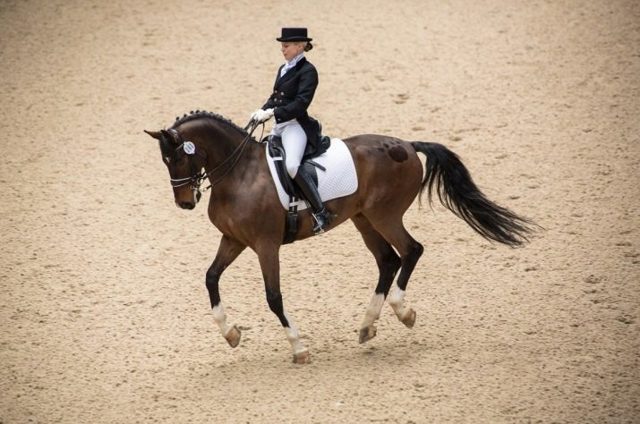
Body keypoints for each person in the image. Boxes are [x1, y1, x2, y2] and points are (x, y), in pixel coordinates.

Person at [250, 27, 331, 234]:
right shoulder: (283, 68)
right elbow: (276, 96)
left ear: (300, 46)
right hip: (280, 125)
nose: (282, 49)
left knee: (293, 165)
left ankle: (320, 211)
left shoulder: (308, 71)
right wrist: (262, 109)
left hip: (296, 125)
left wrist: (273, 113)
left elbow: (301, 103)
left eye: (286, 46)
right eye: (282, 46)